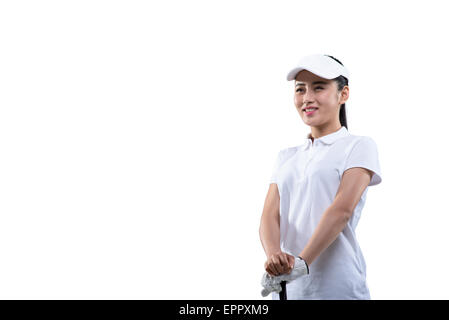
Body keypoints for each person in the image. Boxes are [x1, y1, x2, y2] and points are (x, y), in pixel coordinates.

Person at [259, 54, 382, 300]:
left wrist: (302, 263)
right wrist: (274, 258)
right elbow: (270, 215)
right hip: (288, 291)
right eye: (300, 89)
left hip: (339, 288)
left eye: (319, 88)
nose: (307, 98)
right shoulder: (286, 156)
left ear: (343, 94)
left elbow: (341, 210)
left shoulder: (358, 146)